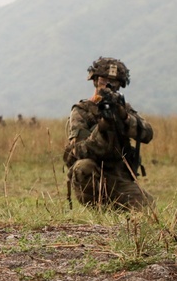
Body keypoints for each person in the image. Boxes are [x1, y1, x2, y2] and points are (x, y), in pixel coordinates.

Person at [63, 57, 153, 209]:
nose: (107, 85)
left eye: (114, 81)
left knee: (148, 208)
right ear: (95, 80)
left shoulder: (122, 109)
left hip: (118, 178)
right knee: (83, 166)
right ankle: (97, 208)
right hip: (93, 174)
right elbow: (78, 151)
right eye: (103, 79)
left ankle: (114, 208)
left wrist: (124, 118)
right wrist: (102, 128)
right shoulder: (82, 111)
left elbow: (147, 134)